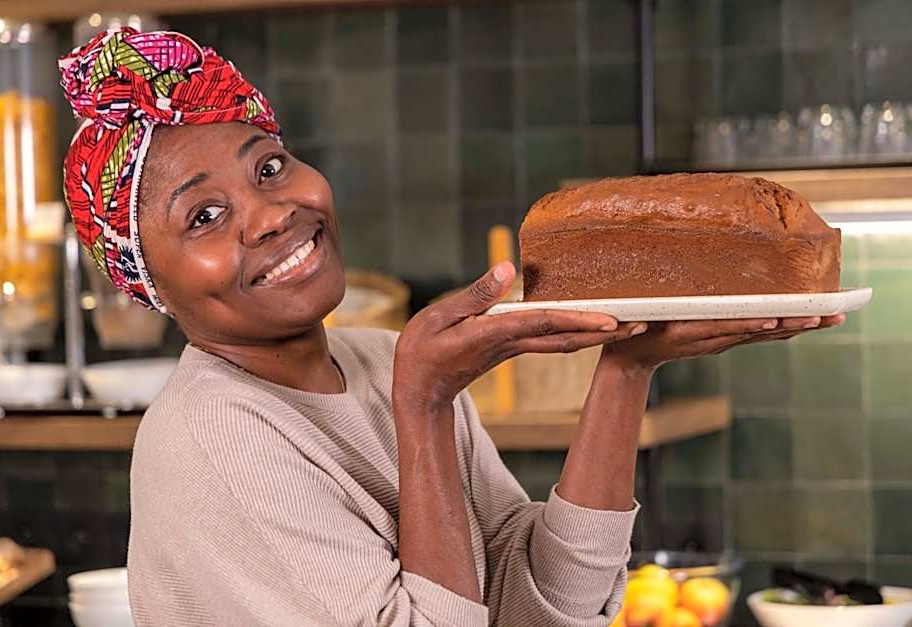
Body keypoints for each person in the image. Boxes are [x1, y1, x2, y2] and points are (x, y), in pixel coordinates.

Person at [58, 28, 843, 627]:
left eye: (269, 166)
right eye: (203, 215)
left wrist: (625, 366)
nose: (269, 214)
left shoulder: (380, 360)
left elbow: (541, 611)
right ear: (147, 283)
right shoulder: (213, 439)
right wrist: (425, 405)